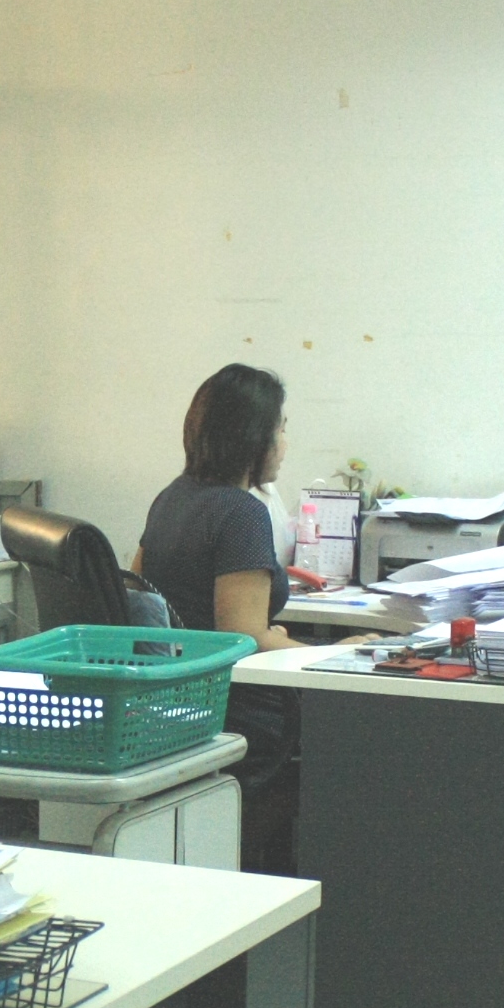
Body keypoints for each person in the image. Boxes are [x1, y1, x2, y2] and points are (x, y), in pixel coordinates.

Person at [136, 363, 306, 873]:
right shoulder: (241, 513)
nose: (284, 442)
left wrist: (269, 634)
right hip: (235, 709)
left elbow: (142, 594)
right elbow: (242, 638)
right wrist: (346, 652)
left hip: (175, 699)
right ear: (254, 438)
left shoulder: (172, 497)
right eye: (281, 428)